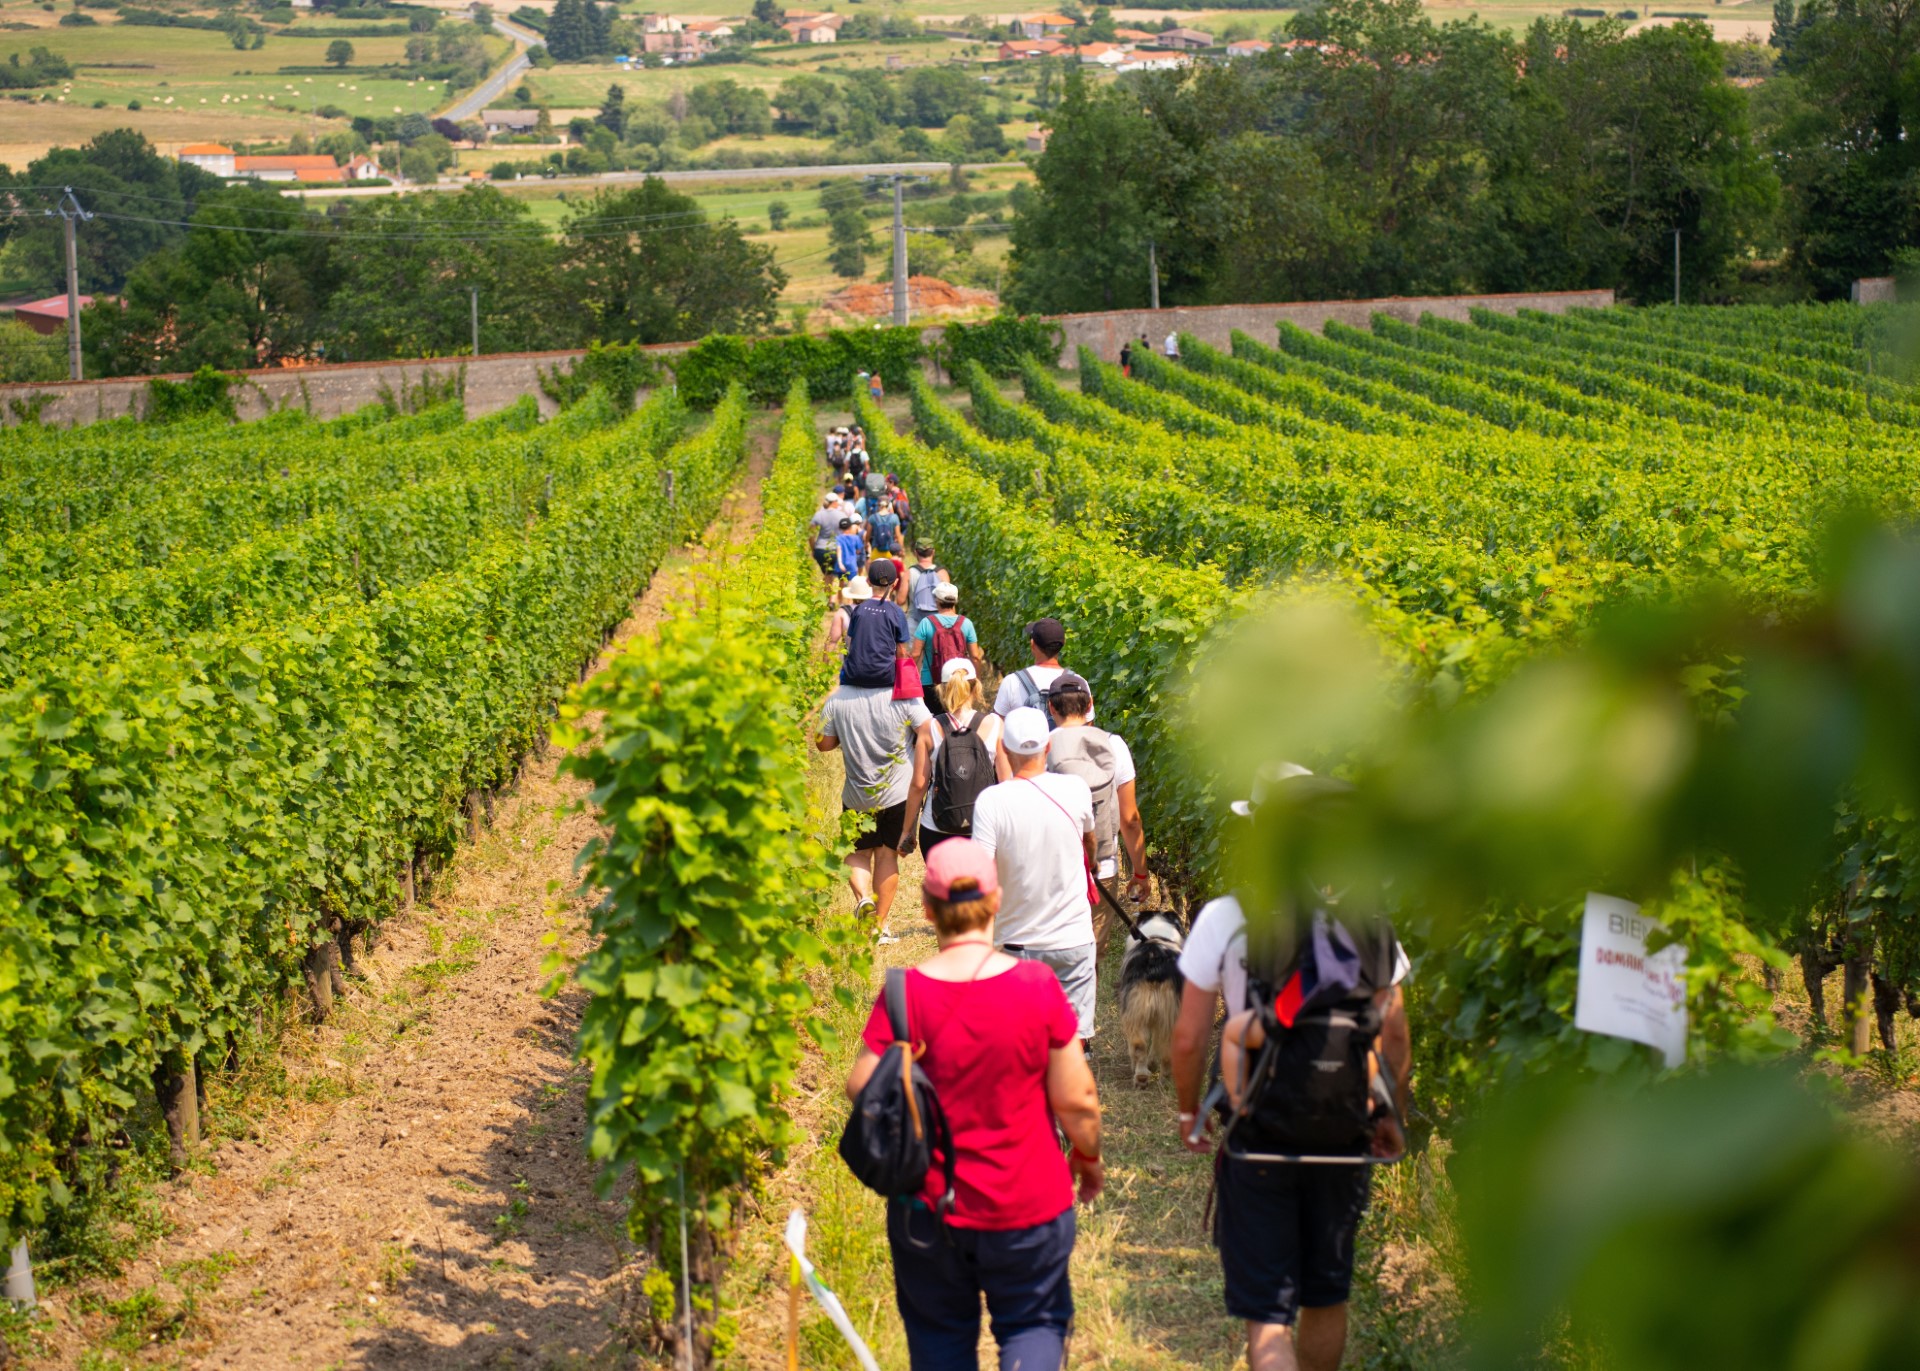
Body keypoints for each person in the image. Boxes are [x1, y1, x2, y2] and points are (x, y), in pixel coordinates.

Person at [1170, 767, 1412, 1371]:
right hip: (1344, 1132)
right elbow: (1397, 1036)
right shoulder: (1369, 923)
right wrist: (1389, 1114)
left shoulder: (1228, 918)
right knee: (1326, 1297)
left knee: (1270, 1316)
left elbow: (1189, 1034)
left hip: (1261, 1137)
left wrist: (1188, 1110)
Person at [845, 838, 1102, 1371]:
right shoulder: (1037, 986)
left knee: (939, 1342)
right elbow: (1077, 1099)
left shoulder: (903, 993)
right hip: (1027, 1207)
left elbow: (860, 1086)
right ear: (996, 902)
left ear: (927, 909)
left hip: (929, 1211)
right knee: (1033, 1326)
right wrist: (1087, 1157)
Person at [970, 708, 1099, 1042]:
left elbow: (979, 874)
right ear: (1048, 747)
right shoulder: (1076, 789)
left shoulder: (991, 802)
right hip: (1074, 940)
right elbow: (1090, 842)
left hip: (1017, 944)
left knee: (1024, 1042)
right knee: (1073, 1041)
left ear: (1004, 750)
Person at [816, 614, 933, 944]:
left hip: (856, 793)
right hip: (896, 793)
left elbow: (823, 744)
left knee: (856, 853)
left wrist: (842, 732)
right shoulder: (905, 697)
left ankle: (863, 899)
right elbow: (928, 733)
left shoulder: (839, 699)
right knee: (886, 855)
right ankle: (879, 926)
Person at [1044, 672, 1150, 931]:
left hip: (1054, 870)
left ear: (1051, 707)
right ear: (1090, 704)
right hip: (1102, 869)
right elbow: (1130, 820)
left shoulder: (1042, 748)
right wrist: (1140, 873)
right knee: (1092, 953)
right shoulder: (1115, 746)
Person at [909, 657, 1002, 857]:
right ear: (976, 688)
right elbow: (1006, 781)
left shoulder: (929, 727)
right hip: (982, 828)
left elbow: (919, 784)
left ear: (941, 689)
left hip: (936, 828)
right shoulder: (994, 724)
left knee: (942, 887)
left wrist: (906, 830)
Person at [992, 617, 1094, 727]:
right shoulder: (1078, 683)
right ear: (1063, 643)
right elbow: (1087, 726)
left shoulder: (1012, 682)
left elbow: (998, 728)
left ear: (1032, 644)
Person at [913, 581, 981, 689]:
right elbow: (975, 656)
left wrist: (911, 679)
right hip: (960, 683)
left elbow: (915, 654)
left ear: (937, 601)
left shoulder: (926, 623)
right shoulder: (967, 623)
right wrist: (976, 681)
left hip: (930, 683)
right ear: (955, 601)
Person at [823, 575, 871, 663]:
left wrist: (823, 667)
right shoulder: (876, 611)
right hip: (873, 662)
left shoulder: (843, 612)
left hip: (849, 664)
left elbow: (832, 642)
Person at [904, 541, 950, 633]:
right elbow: (948, 600)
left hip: (914, 622)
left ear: (916, 552)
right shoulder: (942, 573)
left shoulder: (909, 572)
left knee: (914, 647)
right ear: (933, 552)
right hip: (937, 623)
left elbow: (900, 600)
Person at [809, 492, 845, 580]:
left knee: (826, 574)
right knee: (832, 575)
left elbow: (811, 534)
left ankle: (828, 592)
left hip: (821, 549)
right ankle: (832, 592)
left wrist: (813, 548)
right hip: (835, 549)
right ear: (834, 502)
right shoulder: (842, 515)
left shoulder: (819, 514)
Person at [834, 516, 865, 581]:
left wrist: (840, 563)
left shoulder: (838, 538)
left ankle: (840, 591)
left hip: (841, 564)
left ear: (840, 528)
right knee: (851, 583)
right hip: (852, 564)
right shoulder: (855, 538)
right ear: (850, 527)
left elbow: (838, 549)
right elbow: (859, 550)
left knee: (841, 583)